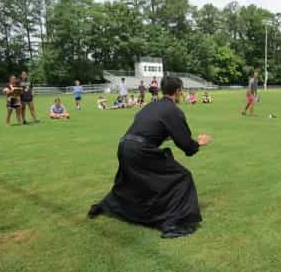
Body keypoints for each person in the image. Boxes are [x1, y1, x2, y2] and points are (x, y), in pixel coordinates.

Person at [88, 77, 213, 239]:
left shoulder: (151, 106)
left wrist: (163, 136)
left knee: (131, 182)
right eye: (181, 91)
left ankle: (105, 206)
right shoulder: (173, 110)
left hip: (125, 146)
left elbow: (147, 128)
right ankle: (172, 224)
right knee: (181, 178)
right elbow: (187, 146)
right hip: (141, 150)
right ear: (178, 91)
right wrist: (200, 143)